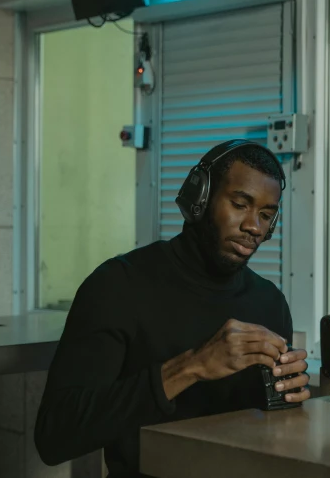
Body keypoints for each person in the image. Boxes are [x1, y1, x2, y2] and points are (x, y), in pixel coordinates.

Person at [34, 140, 310, 477]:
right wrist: (191, 367)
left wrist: (288, 397)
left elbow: (272, 436)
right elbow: (54, 436)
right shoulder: (118, 286)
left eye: (266, 215)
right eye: (240, 204)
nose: (254, 226)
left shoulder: (269, 302)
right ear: (200, 199)